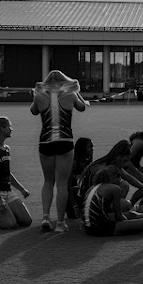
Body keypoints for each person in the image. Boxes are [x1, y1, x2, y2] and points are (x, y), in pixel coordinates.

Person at [30, 69, 87, 232]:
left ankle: (45, 216)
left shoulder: (40, 95)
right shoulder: (70, 94)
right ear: (63, 81)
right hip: (65, 141)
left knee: (48, 181)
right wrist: (76, 90)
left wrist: (38, 94)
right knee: (62, 183)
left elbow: (33, 111)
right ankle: (60, 223)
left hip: (45, 141)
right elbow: (82, 107)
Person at [82, 166, 143, 237]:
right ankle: (118, 231)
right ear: (115, 177)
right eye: (120, 178)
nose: (120, 181)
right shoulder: (115, 188)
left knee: (132, 214)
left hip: (88, 227)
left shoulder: (93, 187)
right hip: (99, 227)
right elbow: (119, 216)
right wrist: (127, 221)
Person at [67, 137, 95, 221]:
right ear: (82, 149)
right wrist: (75, 205)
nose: (92, 149)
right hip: (72, 199)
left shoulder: (88, 161)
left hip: (82, 195)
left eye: (92, 146)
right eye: (90, 147)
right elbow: (67, 187)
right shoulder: (74, 164)